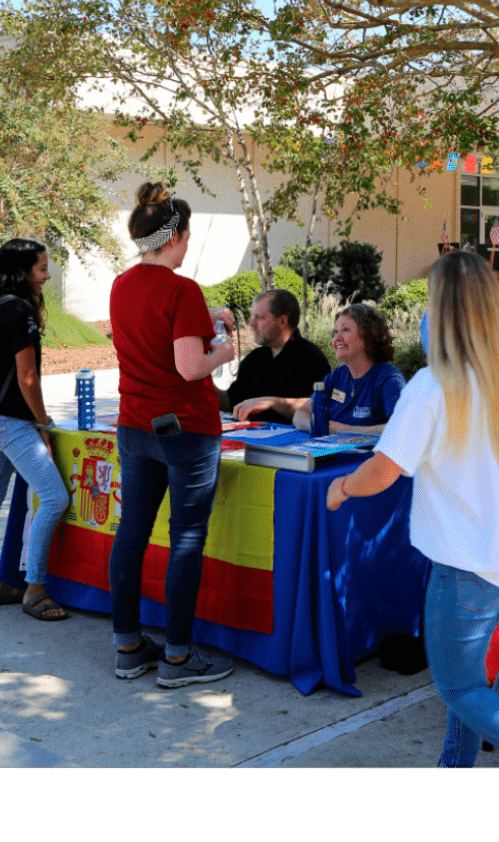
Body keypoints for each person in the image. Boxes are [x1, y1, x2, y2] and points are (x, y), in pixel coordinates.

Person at [326, 251, 499, 768]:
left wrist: (341, 489)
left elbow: (384, 470)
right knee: (466, 681)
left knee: (459, 689)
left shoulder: (433, 384)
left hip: (465, 562)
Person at [109, 182, 237, 687]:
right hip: (185, 429)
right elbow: (189, 366)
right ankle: (179, 659)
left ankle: (128, 647)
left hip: (134, 425)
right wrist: (221, 352)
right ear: (175, 237)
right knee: (186, 538)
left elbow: (155, 328)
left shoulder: (122, 284)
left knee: (132, 532)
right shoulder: (183, 289)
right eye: (188, 236)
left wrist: (206, 321)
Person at [0, 239, 71, 621]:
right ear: (21, 271)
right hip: (13, 422)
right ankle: (35, 588)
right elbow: (27, 378)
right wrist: (43, 424)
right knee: (54, 498)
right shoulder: (19, 312)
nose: (46, 276)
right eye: (42, 269)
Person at [238, 304, 404, 435]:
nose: (337, 338)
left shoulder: (388, 380)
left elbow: (403, 428)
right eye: (335, 332)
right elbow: (300, 414)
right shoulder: (337, 377)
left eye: (345, 330)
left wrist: (344, 430)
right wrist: (319, 427)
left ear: (369, 336)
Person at [218, 289, 330, 424]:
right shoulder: (254, 358)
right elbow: (232, 403)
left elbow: (318, 406)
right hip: (250, 440)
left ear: (282, 321)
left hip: (291, 443)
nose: (251, 324)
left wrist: (271, 402)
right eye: (253, 317)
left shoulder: (310, 358)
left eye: (260, 317)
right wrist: (200, 376)